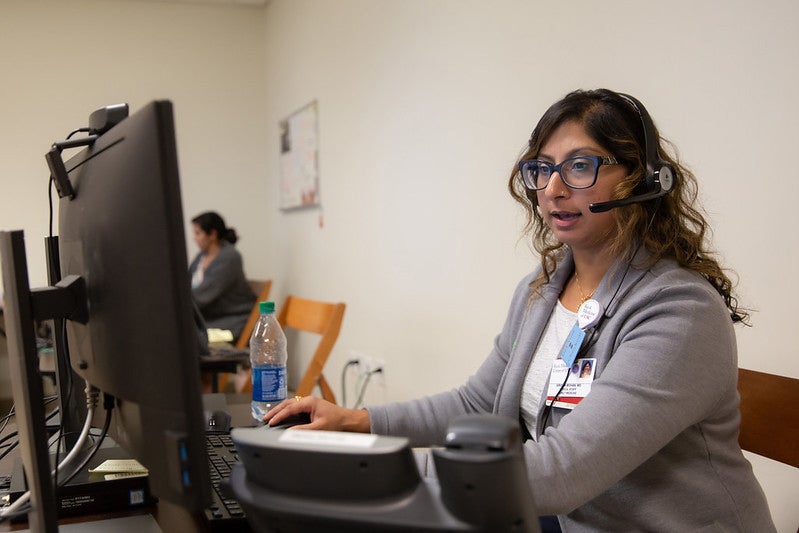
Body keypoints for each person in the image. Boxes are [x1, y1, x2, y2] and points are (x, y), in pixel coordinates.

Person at [263, 89, 775, 531]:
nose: (551, 189)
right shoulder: (544, 287)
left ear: (639, 179)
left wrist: (361, 464)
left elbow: (559, 473)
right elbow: (478, 404)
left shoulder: (678, 311)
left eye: (579, 165)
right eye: (542, 169)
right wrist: (355, 422)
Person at [188, 211, 256, 342]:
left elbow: (201, 297)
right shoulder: (201, 257)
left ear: (212, 234)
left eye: (198, 233)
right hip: (212, 318)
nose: (194, 238)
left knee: (187, 334)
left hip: (233, 320)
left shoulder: (229, 257)